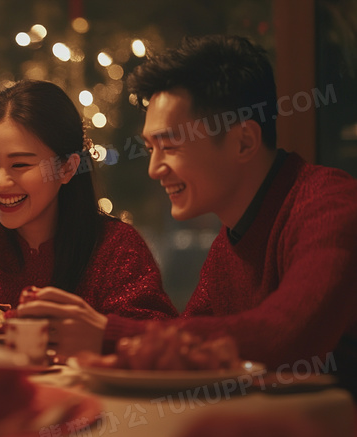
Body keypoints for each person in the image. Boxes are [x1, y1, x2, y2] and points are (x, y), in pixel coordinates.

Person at [18, 35, 357, 379]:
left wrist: (107, 335)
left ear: (244, 142)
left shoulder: (327, 204)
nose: (154, 169)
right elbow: (186, 351)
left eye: (170, 145)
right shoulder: (229, 244)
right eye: (150, 148)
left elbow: (287, 335)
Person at [0, 80, 178, 352]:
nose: (0, 183)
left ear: (67, 168)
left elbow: (163, 341)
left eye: (20, 164)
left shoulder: (116, 249)